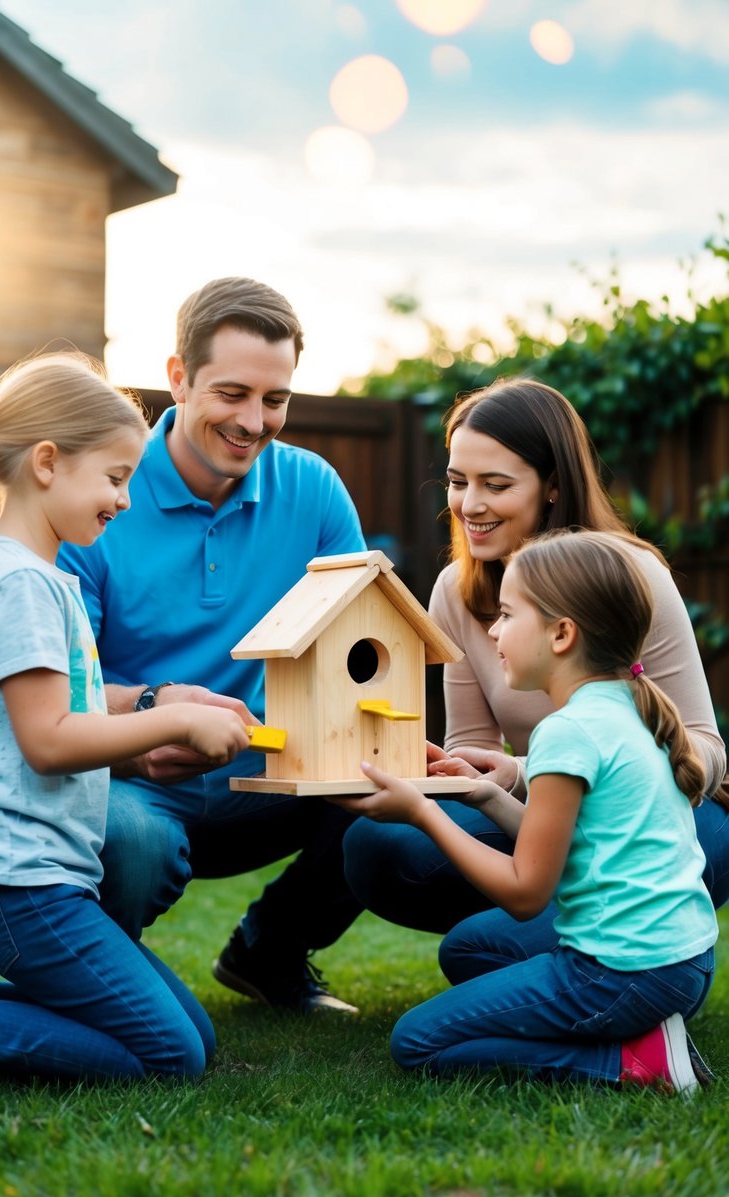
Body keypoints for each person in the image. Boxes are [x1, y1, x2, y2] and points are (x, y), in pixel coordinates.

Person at [0, 352, 250, 1081]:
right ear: (48, 463)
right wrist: (175, 724)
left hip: (47, 879)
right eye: (116, 477)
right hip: (9, 885)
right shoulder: (18, 585)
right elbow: (48, 740)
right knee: (169, 1056)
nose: (125, 500)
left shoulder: (45, 578)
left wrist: (167, 702)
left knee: (194, 1037)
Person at [343, 378, 729, 975]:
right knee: (379, 848)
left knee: (485, 953)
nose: (470, 504)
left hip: (670, 820)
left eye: (496, 485)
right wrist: (469, 772)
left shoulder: (632, 576)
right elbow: (468, 744)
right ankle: (539, 934)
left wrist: (526, 772)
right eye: (457, 481)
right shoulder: (457, 590)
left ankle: (613, 955)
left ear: (553, 486)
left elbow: (704, 748)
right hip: (548, 820)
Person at [57, 277, 367, 1014]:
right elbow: (55, 687)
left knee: (391, 806)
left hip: (275, 780)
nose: (255, 422)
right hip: (136, 784)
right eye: (232, 393)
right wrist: (149, 718)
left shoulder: (313, 490)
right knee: (127, 838)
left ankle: (270, 952)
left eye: (275, 400)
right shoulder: (100, 492)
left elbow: (358, 644)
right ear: (177, 378)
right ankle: (97, 976)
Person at [338, 530, 717, 1092]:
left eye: (508, 615)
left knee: (417, 1041)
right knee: (472, 956)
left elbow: (525, 893)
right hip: (683, 963)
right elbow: (566, 845)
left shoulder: (566, 733)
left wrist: (423, 813)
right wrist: (487, 795)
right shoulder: (631, 709)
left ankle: (635, 1062)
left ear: (562, 634)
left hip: (619, 973)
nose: (492, 631)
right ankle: (636, 1034)